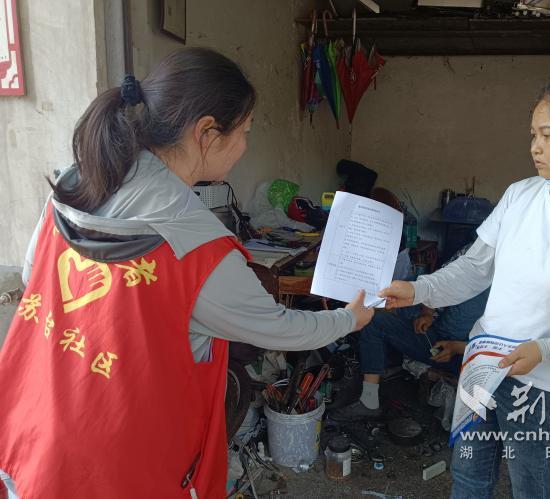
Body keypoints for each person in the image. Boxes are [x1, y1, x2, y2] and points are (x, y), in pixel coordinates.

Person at [0, 47, 374, 499]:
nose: (245, 146)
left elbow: (33, 276)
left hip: (34, 427)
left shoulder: (75, 186)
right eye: (245, 132)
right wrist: (349, 318)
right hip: (122, 464)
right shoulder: (199, 247)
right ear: (207, 133)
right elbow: (280, 328)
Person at [380, 72, 550, 499]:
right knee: (469, 479)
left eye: (548, 134)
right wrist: (419, 290)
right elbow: (475, 269)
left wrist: (546, 350)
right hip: (484, 365)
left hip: (548, 389)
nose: (535, 147)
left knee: (538, 490)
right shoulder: (521, 196)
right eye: (533, 134)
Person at [331, 244, 490, 422]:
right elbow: (441, 281)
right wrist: (427, 313)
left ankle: (373, 396)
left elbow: (506, 350)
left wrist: (457, 347)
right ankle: (372, 393)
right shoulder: (473, 250)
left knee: (376, 322)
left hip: (469, 355)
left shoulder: (511, 284)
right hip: (437, 338)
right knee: (379, 317)